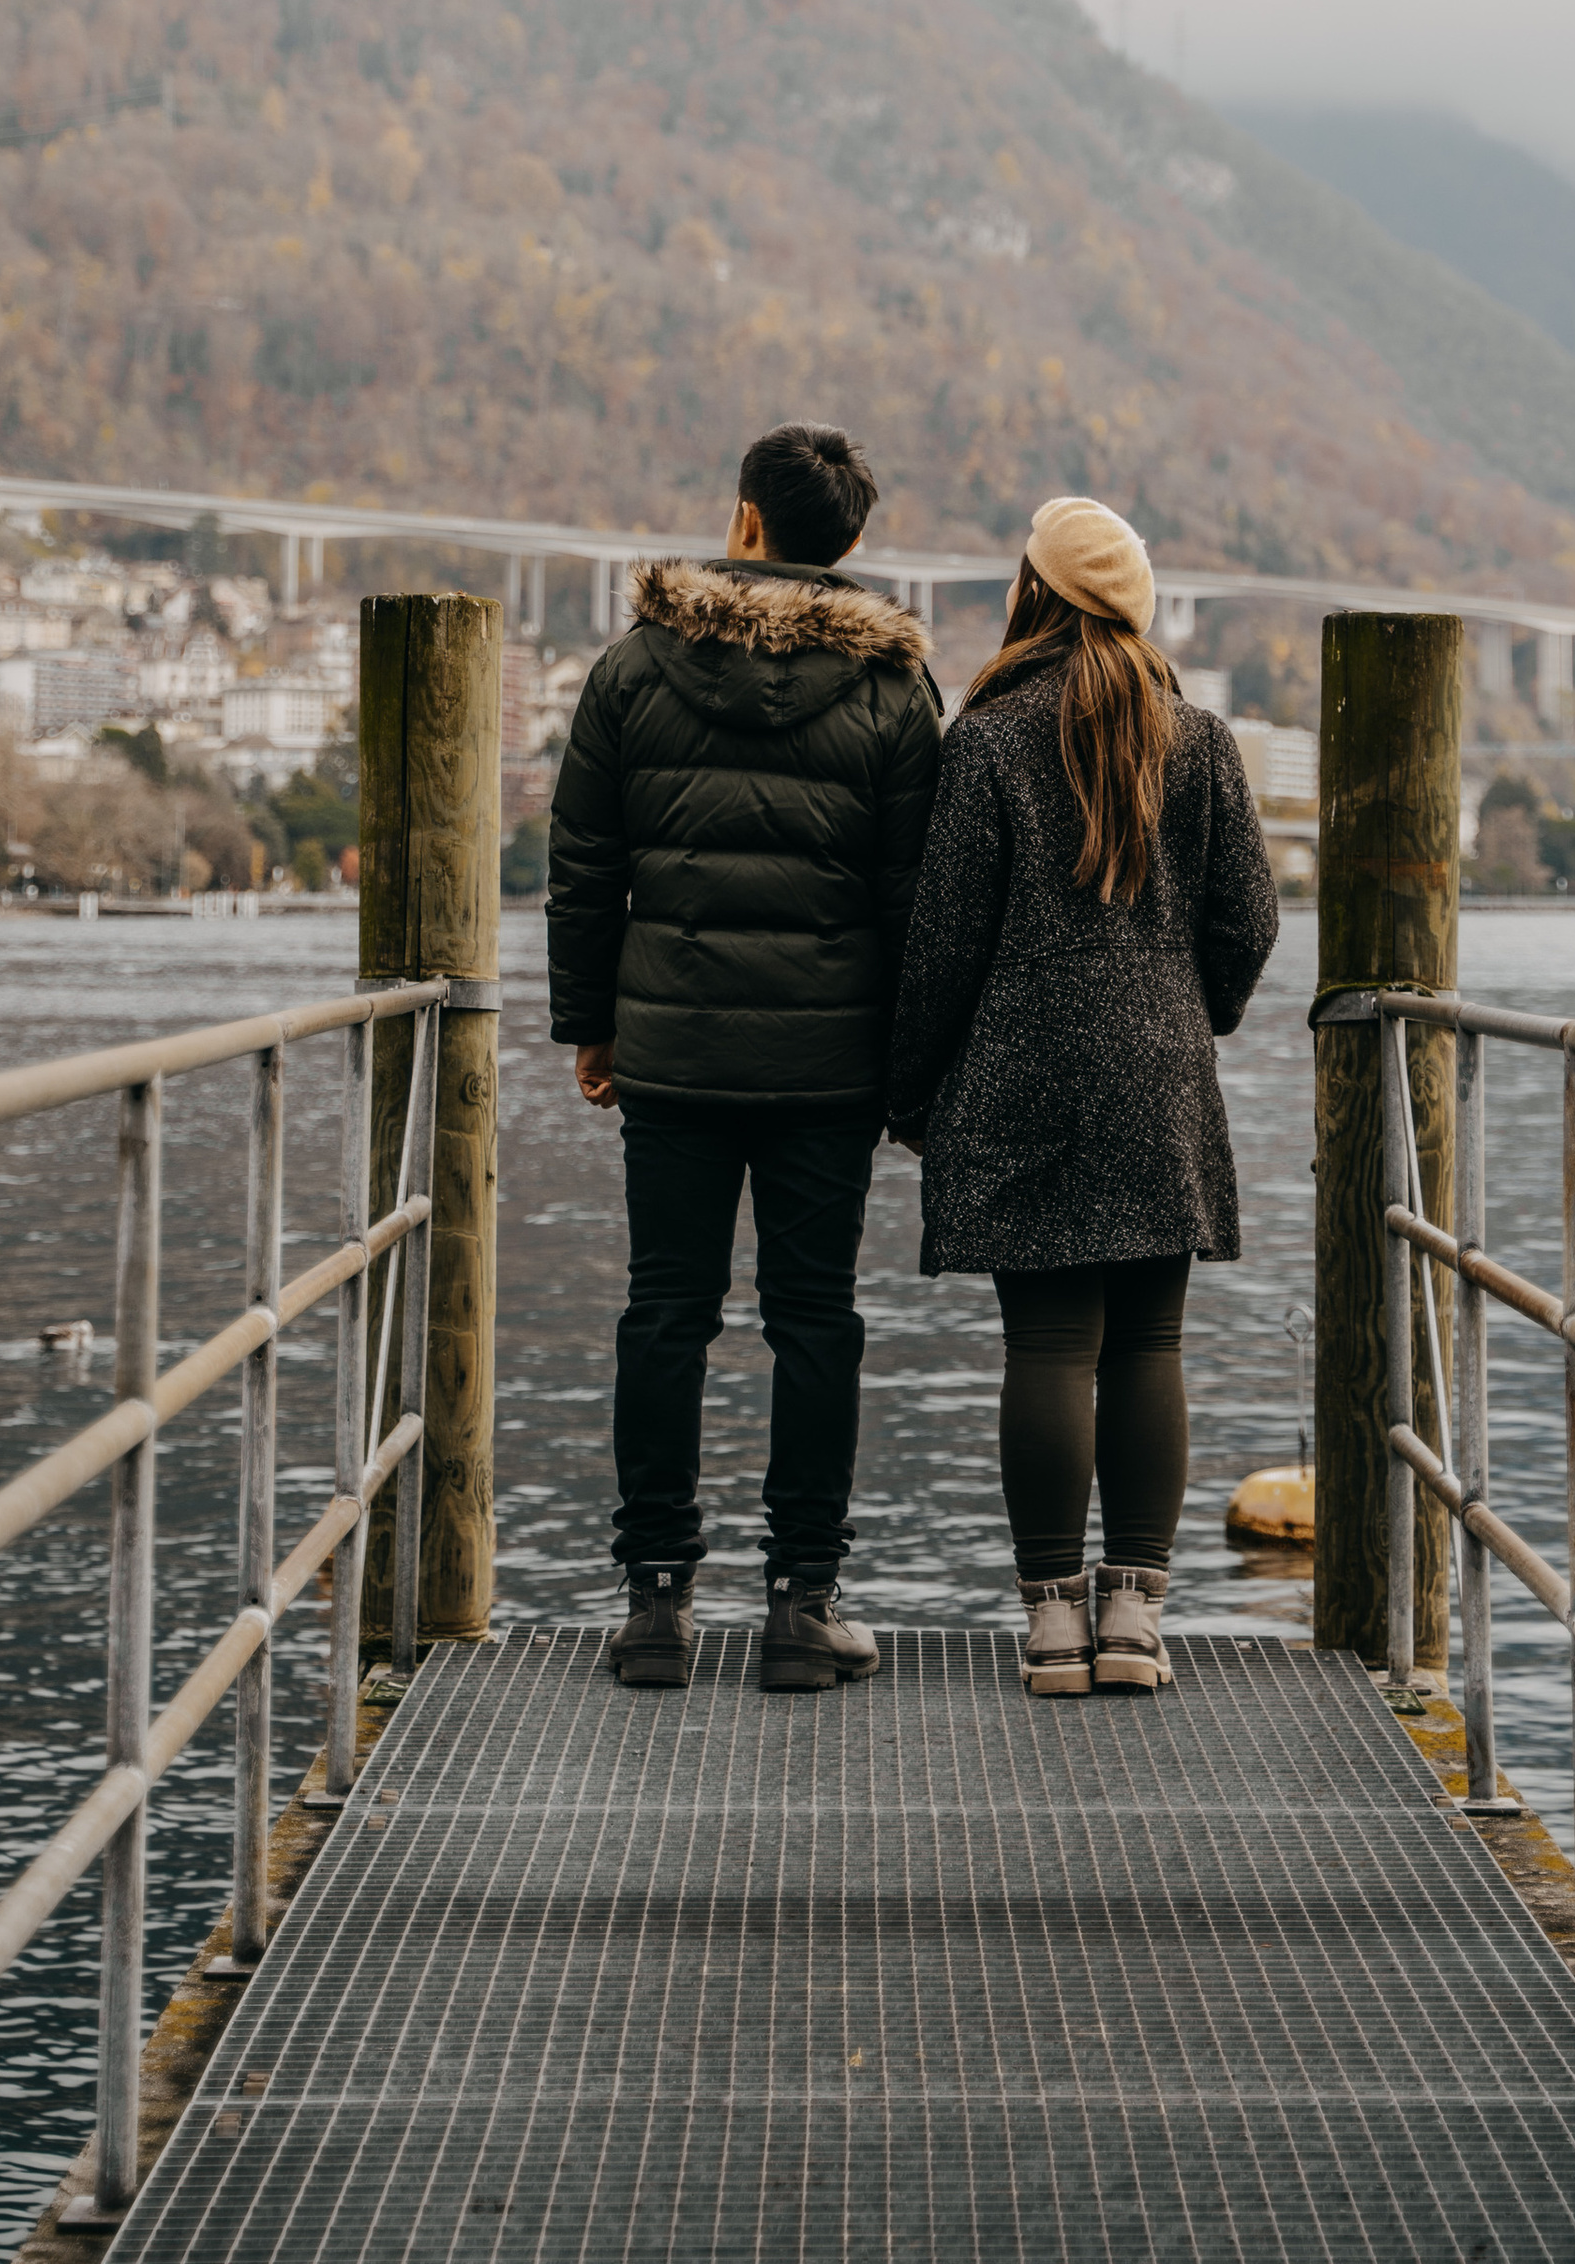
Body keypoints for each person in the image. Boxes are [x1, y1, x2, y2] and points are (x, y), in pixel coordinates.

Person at [548, 421, 943, 1691]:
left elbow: (584, 869)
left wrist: (592, 1027)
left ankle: (656, 1604)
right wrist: (905, 1065)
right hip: (830, 1067)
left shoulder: (631, 668)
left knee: (665, 1313)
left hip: (670, 1052)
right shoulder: (893, 691)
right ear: (855, 544)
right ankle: (800, 1605)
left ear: (743, 523)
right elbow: (912, 902)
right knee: (815, 1320)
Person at [884, 495, 1279, 1695]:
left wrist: (911, 1090)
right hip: (1159, 1068)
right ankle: (1137, 1623)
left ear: (1035, 592)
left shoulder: (991, 738)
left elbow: (942, 941)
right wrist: (1182, 1007)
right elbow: (1250, 921)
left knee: (1048, 1347)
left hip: (1020, 1064)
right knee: (1149, 1342)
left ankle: (1054, 1625)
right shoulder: (1198, 737)